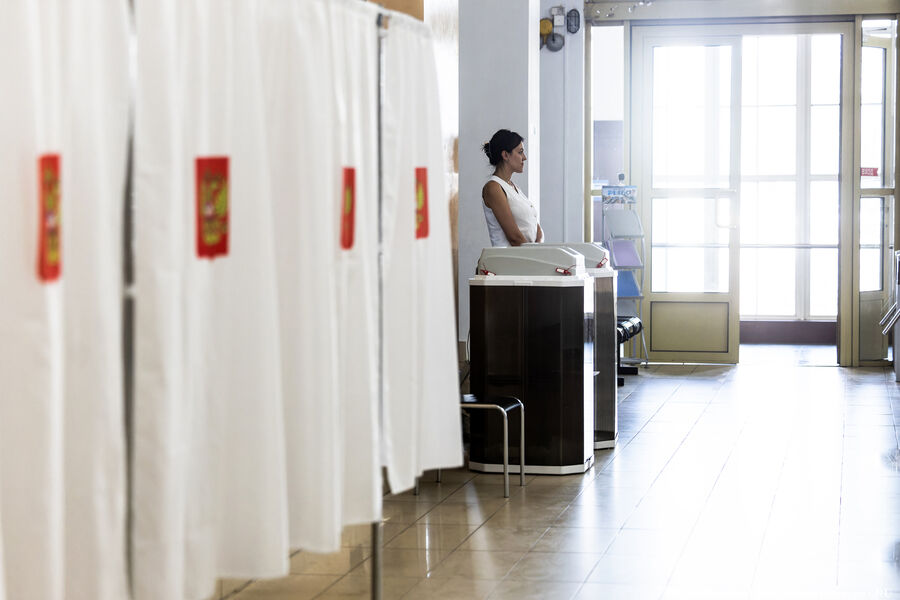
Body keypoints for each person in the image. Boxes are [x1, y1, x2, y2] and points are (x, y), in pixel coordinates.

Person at [481, 129, 543, 247]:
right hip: (512, 257)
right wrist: (536, 253)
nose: (524, 157)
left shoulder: (514, 188)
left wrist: (539, 248)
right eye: (520, 152)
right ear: (505, 155)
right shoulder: (493, 188)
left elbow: (536, 228)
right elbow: (514, 238)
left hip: (529, 254)